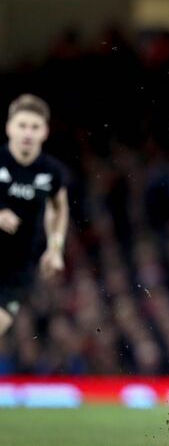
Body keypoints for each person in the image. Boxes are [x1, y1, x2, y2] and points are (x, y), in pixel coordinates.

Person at [0, 94, 69, 337]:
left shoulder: (51, 172)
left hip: (16, 269)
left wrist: (55, 247)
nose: (28, 133)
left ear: (45, 132)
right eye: (22, 125)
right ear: (9, 128)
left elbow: (59, 208)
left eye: (35, 127)